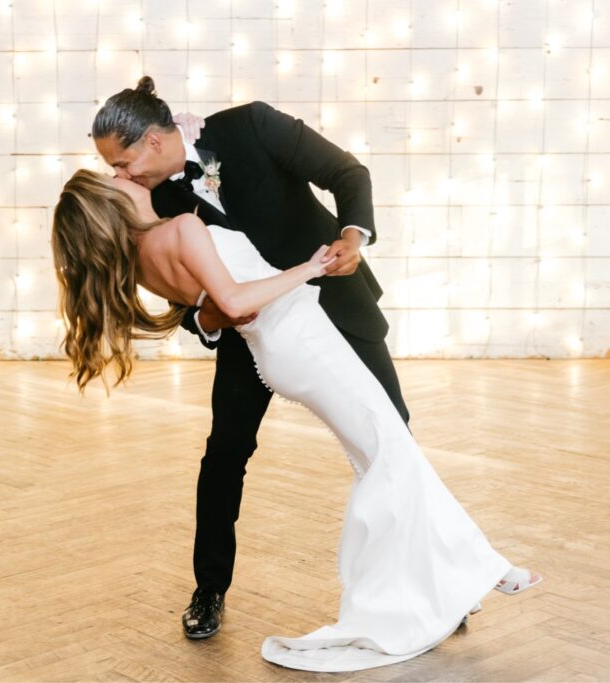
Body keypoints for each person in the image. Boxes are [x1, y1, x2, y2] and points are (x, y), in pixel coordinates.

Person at [51, 168, 543, 672]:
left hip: (285, 348)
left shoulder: (140, 260)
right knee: (389, 448)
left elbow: (217, 307)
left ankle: (450, 575)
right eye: (111, 178)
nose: (121, 173)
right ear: (111, 203)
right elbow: (236, 301)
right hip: (301, 342)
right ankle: (481, 569)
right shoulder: (181, 229)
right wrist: (307, 269)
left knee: (379, 454)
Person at [90, 76, 412, 640]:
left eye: (121, 162)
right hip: (255, 335)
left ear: (155, 142)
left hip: (337, 302)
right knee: (225, 454)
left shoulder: (250, 126)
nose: (119, 176)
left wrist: (353, 238)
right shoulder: (148, 205)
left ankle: (424, 577)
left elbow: (347, 173)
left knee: (393, 437)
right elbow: (186, 303)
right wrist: (212, 320)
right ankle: (208, 589)